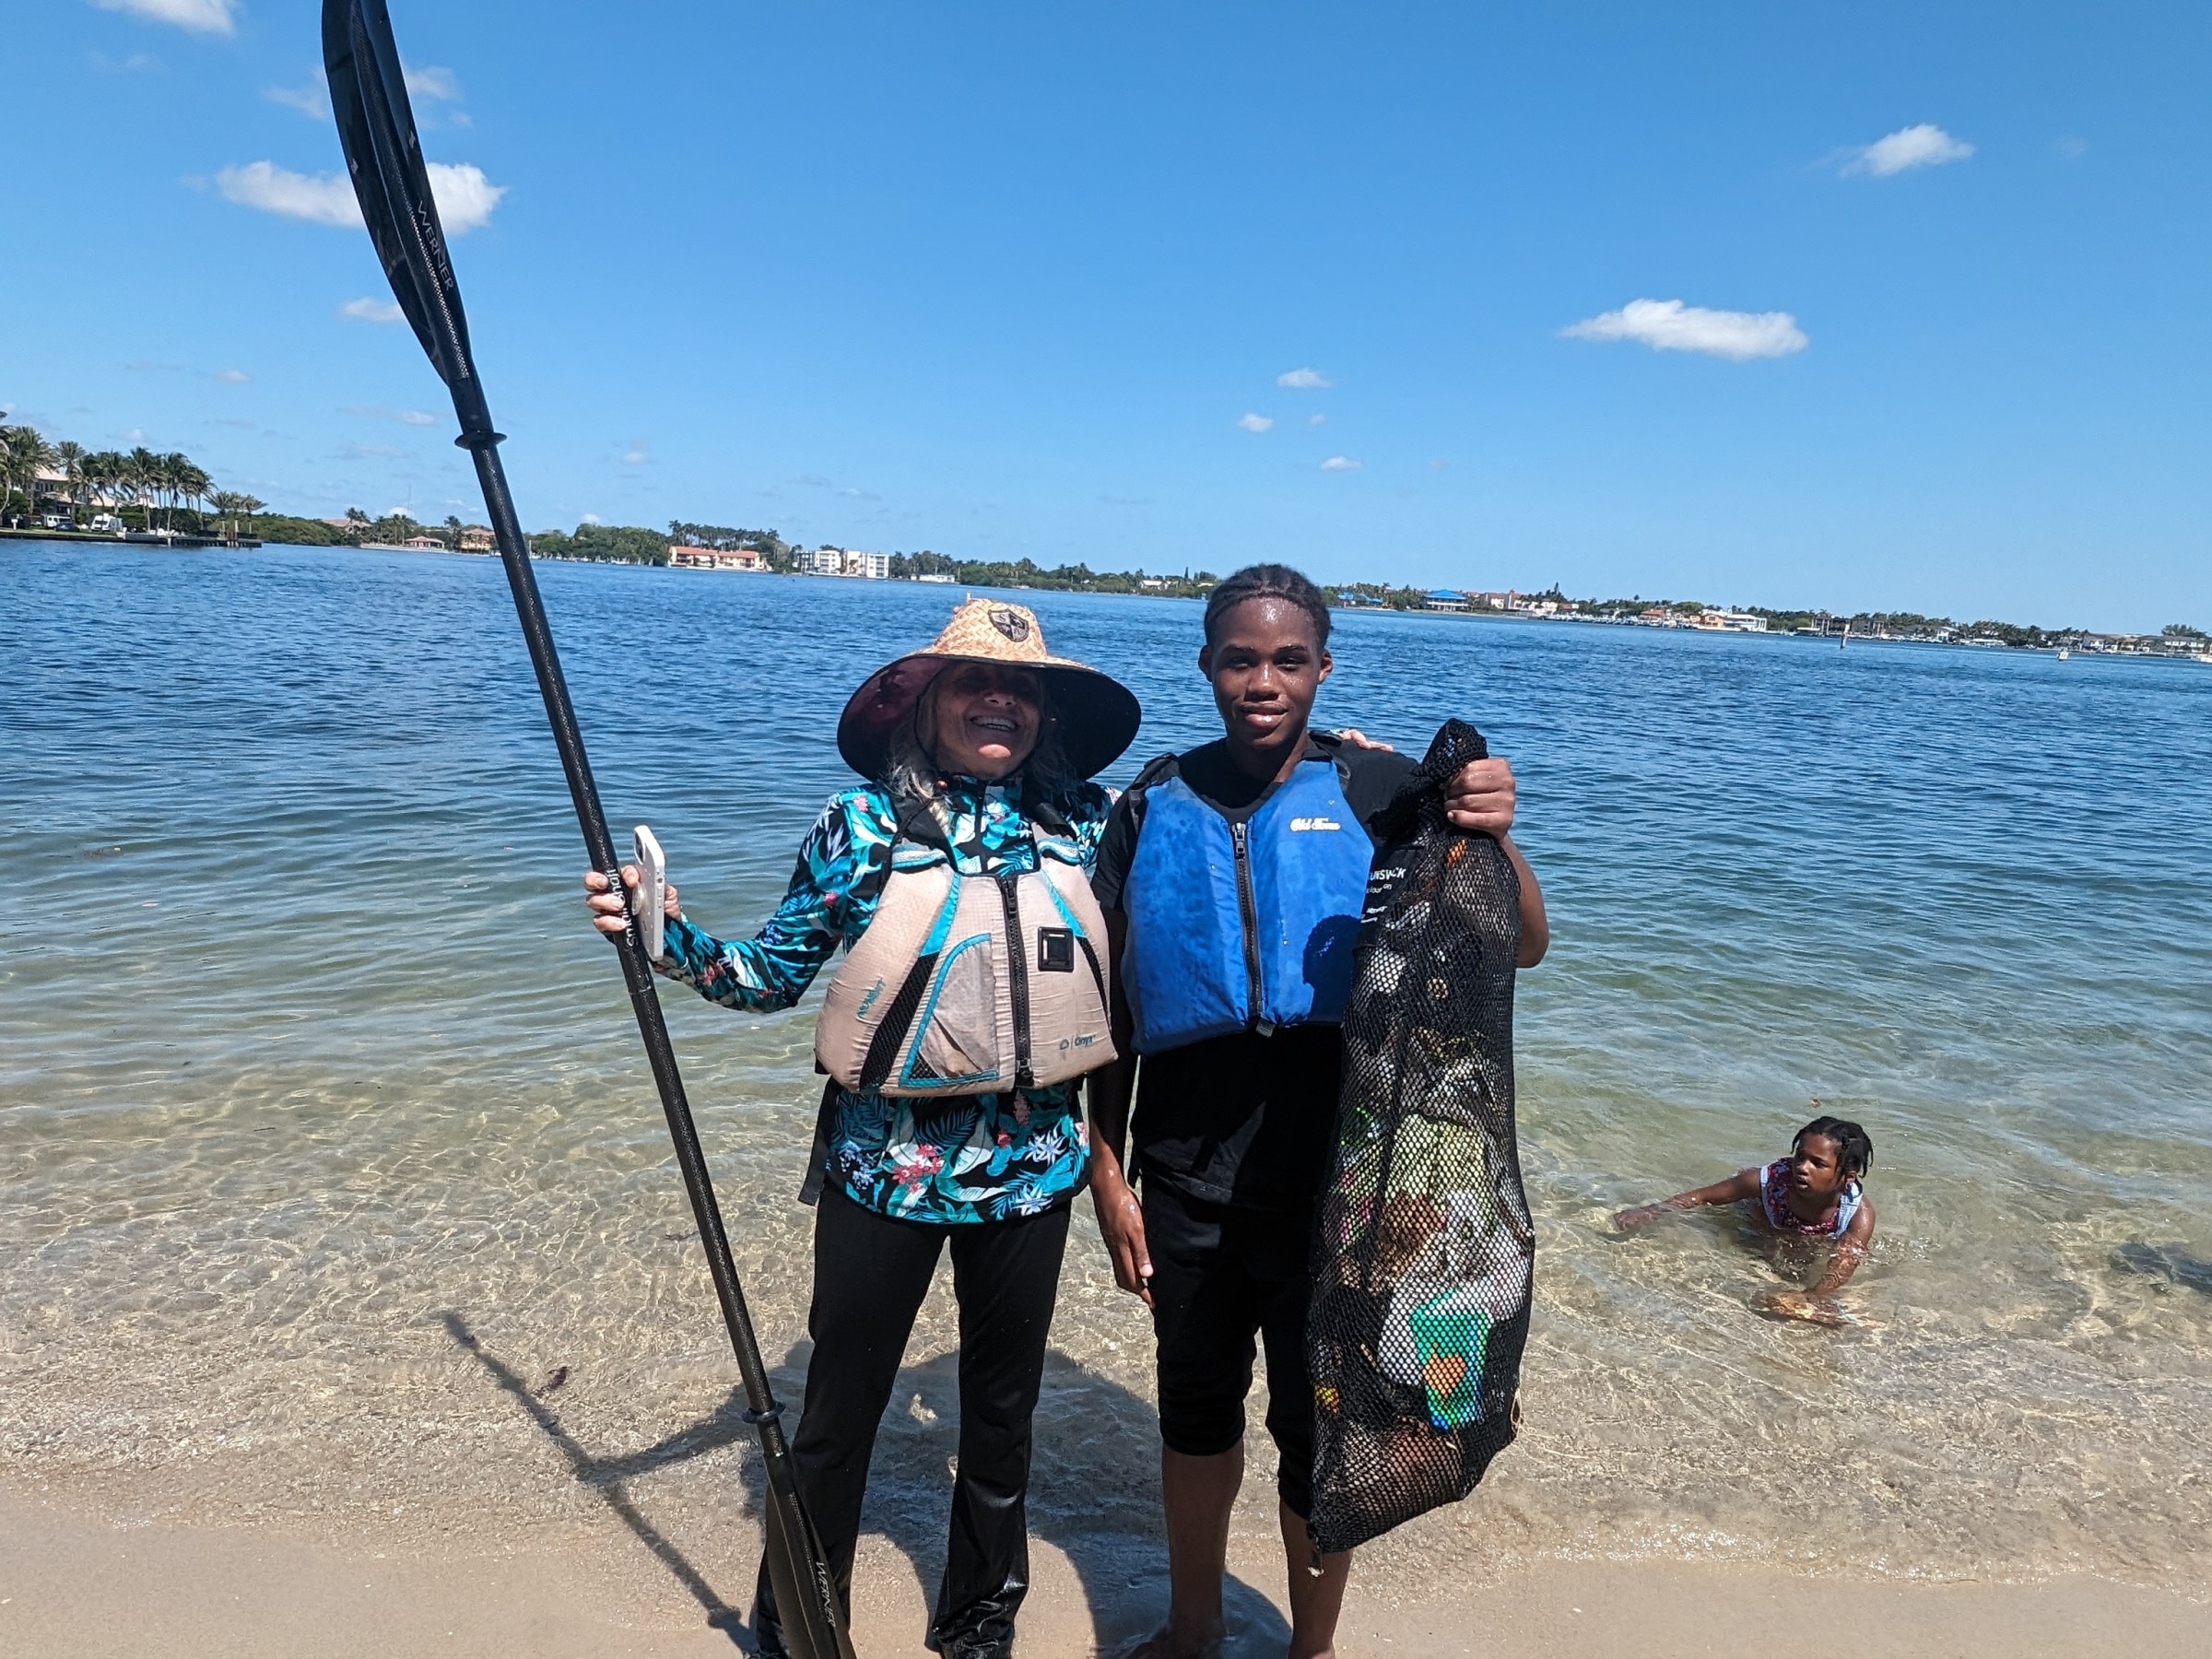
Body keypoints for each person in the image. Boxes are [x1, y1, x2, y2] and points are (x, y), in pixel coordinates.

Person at [583, 597, 1141, 1659]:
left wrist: (1342, 767)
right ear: (922, 707)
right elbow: (768, 977)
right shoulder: (861, 826)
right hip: (882, 1173)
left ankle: (979, 1624)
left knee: (1002, 1421)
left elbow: (1204, 843)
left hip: (1034, 1177)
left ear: (1045, 716)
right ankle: (799, 1618)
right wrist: (657, 931)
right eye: (973, 683)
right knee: (838, 1418)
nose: (999, 701)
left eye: (1020, 688)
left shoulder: (1094, 820)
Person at [1084, 564, 1549, 1659]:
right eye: (1240, 659)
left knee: (1322, 1434)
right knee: (1194, 1415)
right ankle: (1190, 1630)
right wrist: (1107, 1174)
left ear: (1323, 668)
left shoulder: (1377, 789)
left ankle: (1313, 1648)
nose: (1263, 681)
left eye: (1288, 660)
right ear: (1206, 667)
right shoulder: (1150, 803)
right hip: (1188, 1173)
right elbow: (1108, 1012)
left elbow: (1517, 939)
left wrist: (1492, 828)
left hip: (1348, 1186)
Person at [1613, 1113, 1877, 1324]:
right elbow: (1703, 1197)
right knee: (1766, 1256)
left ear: (1848, 1176)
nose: (1802, 1168)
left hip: (1812, 1233)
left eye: (1817, 1164)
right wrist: (1652, 1211)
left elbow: (1844, 1264)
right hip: (1761, 1215)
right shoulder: (1770, 1181)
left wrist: (1812, 1297)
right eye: (1800, 1157)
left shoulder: (1858, 1215)